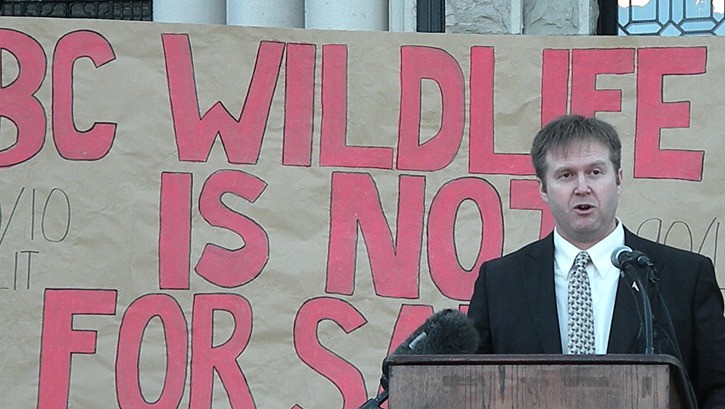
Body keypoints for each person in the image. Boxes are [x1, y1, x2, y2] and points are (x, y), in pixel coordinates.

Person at [467, 114, 725, 408]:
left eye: (595, 172)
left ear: (618, 179)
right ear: (542, 188)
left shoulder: (685, 276)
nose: (582, 188)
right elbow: (471, 387)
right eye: (566, 175)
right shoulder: (500, 281)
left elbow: (717, 388)